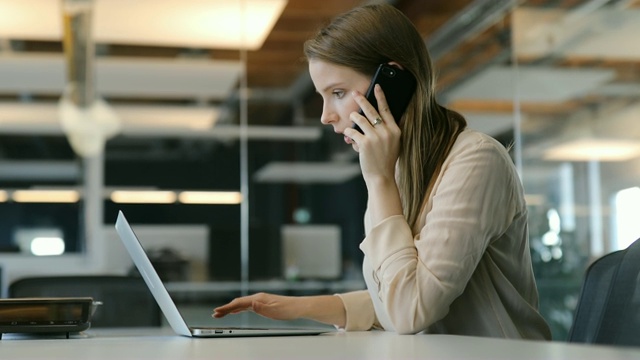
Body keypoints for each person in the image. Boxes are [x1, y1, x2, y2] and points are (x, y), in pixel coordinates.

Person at [213, 3, 551, 339]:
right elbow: (396, 295)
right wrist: (297, 306)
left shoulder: (475, 160)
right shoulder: (400, 171)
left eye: (339, 93)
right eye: (324, 96)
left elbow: (409, 311)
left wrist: (379, 181)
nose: (326, 116)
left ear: (391, 82)